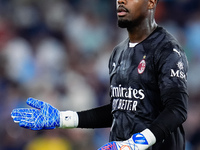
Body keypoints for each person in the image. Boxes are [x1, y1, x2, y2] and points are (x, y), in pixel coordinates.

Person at [11, 0, 189, 149]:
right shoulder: (118, 52)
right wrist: (64, 118)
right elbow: (120, 110)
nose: (121, 1)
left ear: (151, 2)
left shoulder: (167, 50)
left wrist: (136, 143)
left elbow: (177, 110)